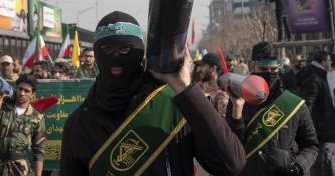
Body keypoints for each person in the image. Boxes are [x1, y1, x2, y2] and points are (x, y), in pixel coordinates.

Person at [60, 11, 246, 175]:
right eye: (106, 49)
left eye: (125, 49)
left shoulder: (175, 104)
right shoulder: (79, 124)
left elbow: (230, 164)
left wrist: (186, 90)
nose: (115, 57)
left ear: (140, 52)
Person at [227, 41, 318, 176]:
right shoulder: (238, 101)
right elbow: (231, 146)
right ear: (253, 67)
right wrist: (237, 113)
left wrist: (298, 166)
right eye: (263, 69)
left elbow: (311, 146)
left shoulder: (294, 104)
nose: (269, 73)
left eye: (274, 69)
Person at [0, 73, 47, 176]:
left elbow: (39, 152)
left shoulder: (37, 118)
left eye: (27, 91)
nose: (22, 93)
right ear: (16, 89)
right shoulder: (3, 109)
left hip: (20, 170)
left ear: (33, 93)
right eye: (20, 89)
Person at [298, 50, 335, 176]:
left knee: (324, 160)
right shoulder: (314, 78)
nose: (330, 62)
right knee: (319, 162)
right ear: (323, 62)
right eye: (329, 60)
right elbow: (307, 106)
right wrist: (308, 130)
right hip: (317, 129)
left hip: (320, 127)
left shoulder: (317, 75)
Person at [195, 52, 229, 117]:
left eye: (203, 66)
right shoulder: (202, 87)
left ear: (213, 69)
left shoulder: (221, 95)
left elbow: (222, 124)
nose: (199, 69)